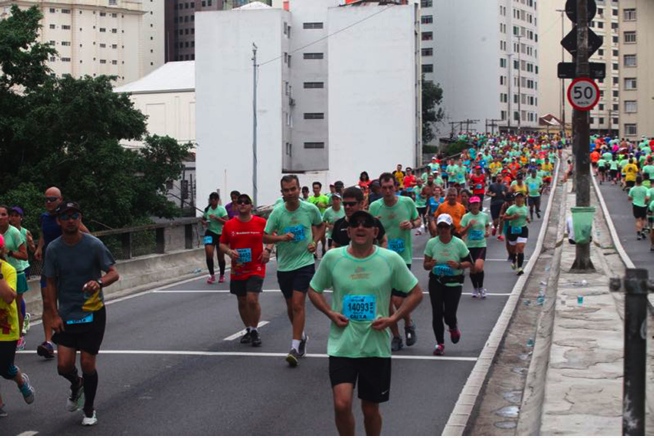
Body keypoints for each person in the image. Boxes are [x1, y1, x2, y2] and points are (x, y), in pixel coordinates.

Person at [307, 210, 423, 436]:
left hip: (375, 347)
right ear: (348, 231)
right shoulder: (333, 258)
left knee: (370, 409)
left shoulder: (390, 259)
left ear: (375, 232)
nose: (361, 228)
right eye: (355, 224)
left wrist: (393, 319)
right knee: (341, 404)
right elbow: (313, 289)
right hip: (343, 344)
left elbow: (416, 293)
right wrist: (330, 313)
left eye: (366, 224)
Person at [43, 201, 119, 426]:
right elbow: (50, 284)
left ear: (80, 218)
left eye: (75, 215)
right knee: (63, 366)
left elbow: (114, 273)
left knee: (87, 363)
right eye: (65, 216)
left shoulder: (94, 245)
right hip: (67, 314)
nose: (70, 220)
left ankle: (89, 409)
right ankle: (77, 384)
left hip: (93, 312)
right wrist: (54, 315)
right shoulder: (54, 249)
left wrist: (98, 282)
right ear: (59, 221)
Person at [264, 175, 325, 367]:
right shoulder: (277, 213)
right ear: (282, 192)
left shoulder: (310, 209)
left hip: (305, 263)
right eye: (286, 190)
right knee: (291, 307)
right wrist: (281, 238)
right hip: (285, 266)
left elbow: (321, 225)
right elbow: (265, 236)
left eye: (293, 189)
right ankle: (302, 337)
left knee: (299, 304)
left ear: (299, 189)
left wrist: (315, 241)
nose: (290, 193)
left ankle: (294, 346)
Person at [34, 187, 89, 360]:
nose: (48, 202)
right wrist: (40, 247)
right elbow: (43, 233)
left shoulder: (67, 217)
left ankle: (74, 334)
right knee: (47, 301)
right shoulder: (44, 217)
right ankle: (48, 341)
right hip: (49, 265)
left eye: (52, 199)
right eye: (46, 199)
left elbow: (86, 234)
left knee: (68, 301)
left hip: (67, 267)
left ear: (60, 199)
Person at [368, 173, 421, 351]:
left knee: (399, 300)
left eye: (391, 187)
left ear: (396, 187)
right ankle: (396, 336)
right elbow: (368, 230)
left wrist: (412, 225)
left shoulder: (407, 202)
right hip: (381, 259)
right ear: (380, 189)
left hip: (402, 257)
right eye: (384, 188)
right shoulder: (375, 207)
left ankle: (408, 322)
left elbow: (418, 220)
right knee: (387, 302)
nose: (388, 191)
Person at [219, 194, 270, 347]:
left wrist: (268, 250)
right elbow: (222, 244)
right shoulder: (229, 225)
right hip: (238, 268)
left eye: (245, 202)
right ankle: (248, 328)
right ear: (236, 206)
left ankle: (254, 330)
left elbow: (272, 236)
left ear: (250, 205)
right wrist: (229, 252)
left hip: (257, 266)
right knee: (242, 300)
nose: (242, 204)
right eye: (239, 202)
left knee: (252, 299)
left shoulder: (260, 222)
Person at [423, 213, 473, 356]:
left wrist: (458, 265)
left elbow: (469, 262)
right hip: (436, 280)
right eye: (440, 226)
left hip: (454, 282)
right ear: (437, 228)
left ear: (451, 227)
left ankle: (452, 326)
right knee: (437, 313)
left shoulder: (458, 243)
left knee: (449, 314)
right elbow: (425, 265)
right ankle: (440, 343)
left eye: (446, 226)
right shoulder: (432, 243)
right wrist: (430, 264)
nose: (443, 229)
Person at [0, 233, 35, 417]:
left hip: (6, 327)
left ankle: (21, 382)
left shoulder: (8, 270)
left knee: (5, 369)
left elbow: (8, 297)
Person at [0, 206, 29, 351]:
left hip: (16, 272)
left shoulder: (14, 232)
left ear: (8, 217)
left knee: (16, 306)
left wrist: (8, 252)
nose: (1, 217)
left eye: (3, 214)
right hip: (1, 273)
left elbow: (24, 255)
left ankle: (19, 336)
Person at [8, 207, 35, 339]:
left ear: (21, 218)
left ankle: (21, 324)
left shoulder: (23, 232)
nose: (13, 218)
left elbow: (31, 250)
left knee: (18, 298)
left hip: (22, 267)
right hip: (7, 268)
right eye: (11, 215)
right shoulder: (5, 232)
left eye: (16, 215)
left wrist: (31, 243)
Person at [459, 197, 490, 299]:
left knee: (478, 267)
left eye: (477, 204)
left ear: (479, 204)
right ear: (470, 205)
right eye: (473, 204)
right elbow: (461, 232)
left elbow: (486, 226)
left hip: (481, 244)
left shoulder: (484, 216)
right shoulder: (466, 217)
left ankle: (481, 287)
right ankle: (475, 288)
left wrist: (487, 232)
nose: (475, 206)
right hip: (469, 246)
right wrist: (469, 226)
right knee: (472, 269)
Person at [201, 192, 229, 284]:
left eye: (215, 199)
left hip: (220, 233)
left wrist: (216, 218)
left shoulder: (221, 209)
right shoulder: (207, 209)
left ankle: (221, 274)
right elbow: (203, 218)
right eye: (211, 199)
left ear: (217, 200)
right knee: (209, 253)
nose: (213, 201)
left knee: (220, 256)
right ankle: (211, 275)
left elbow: (227, 222)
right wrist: (204, 222)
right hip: (210, 232)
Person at [504, 192, 530, 275]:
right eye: (517, 198)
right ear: (515, 199)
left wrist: (527, 219)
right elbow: (504, 217)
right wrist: (512, 217)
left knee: (520, 248)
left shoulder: (525, 208)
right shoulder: (511, 208)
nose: (519, 199)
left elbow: (525, 216)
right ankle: (514, 259)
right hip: (513, 230)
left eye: (521, 197)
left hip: (523, 229)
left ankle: (520, 268)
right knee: (513, 249)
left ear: (523, 199)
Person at [308, 182, 331, 256]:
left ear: (320, 189)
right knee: (315, 235)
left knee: (322, 236)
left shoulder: (324, 197)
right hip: (313, 220)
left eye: (317, 188)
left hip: (322, 219)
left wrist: (324, 206)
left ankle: (323, 247)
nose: (315, 189)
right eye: (314, 188)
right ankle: (315, 252)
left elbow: (330, 206)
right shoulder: (310, 199)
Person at [628, 175, 649, 241]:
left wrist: (633, 199)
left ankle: (638, 233)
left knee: (638, 219)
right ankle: (643, 230)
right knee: (644, 219)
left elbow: (629, 198)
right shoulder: (645, 189)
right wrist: (645, 202)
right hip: (644, 205)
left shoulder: (632, 189)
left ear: (636, 181)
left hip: (636, 205)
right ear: (641, 181)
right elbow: (647, 197)